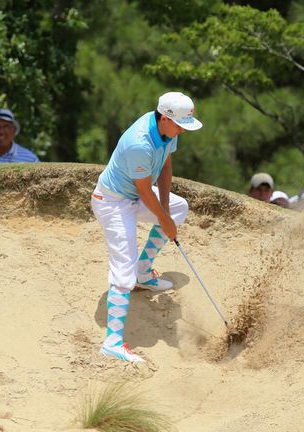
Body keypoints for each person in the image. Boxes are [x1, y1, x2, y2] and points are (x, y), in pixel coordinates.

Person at [90, 91, 201, 362]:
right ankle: (113, 342)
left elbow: (164, 167)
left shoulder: (166, 131)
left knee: (179, 207)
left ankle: (144, 273)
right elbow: (144, 192)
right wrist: (164, 220)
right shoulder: (139, 142)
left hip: (133, 196)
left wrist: (167, 211)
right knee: (122, 269)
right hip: (113, 202)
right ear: (164, 118)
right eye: (179, 126)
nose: (181, 132)